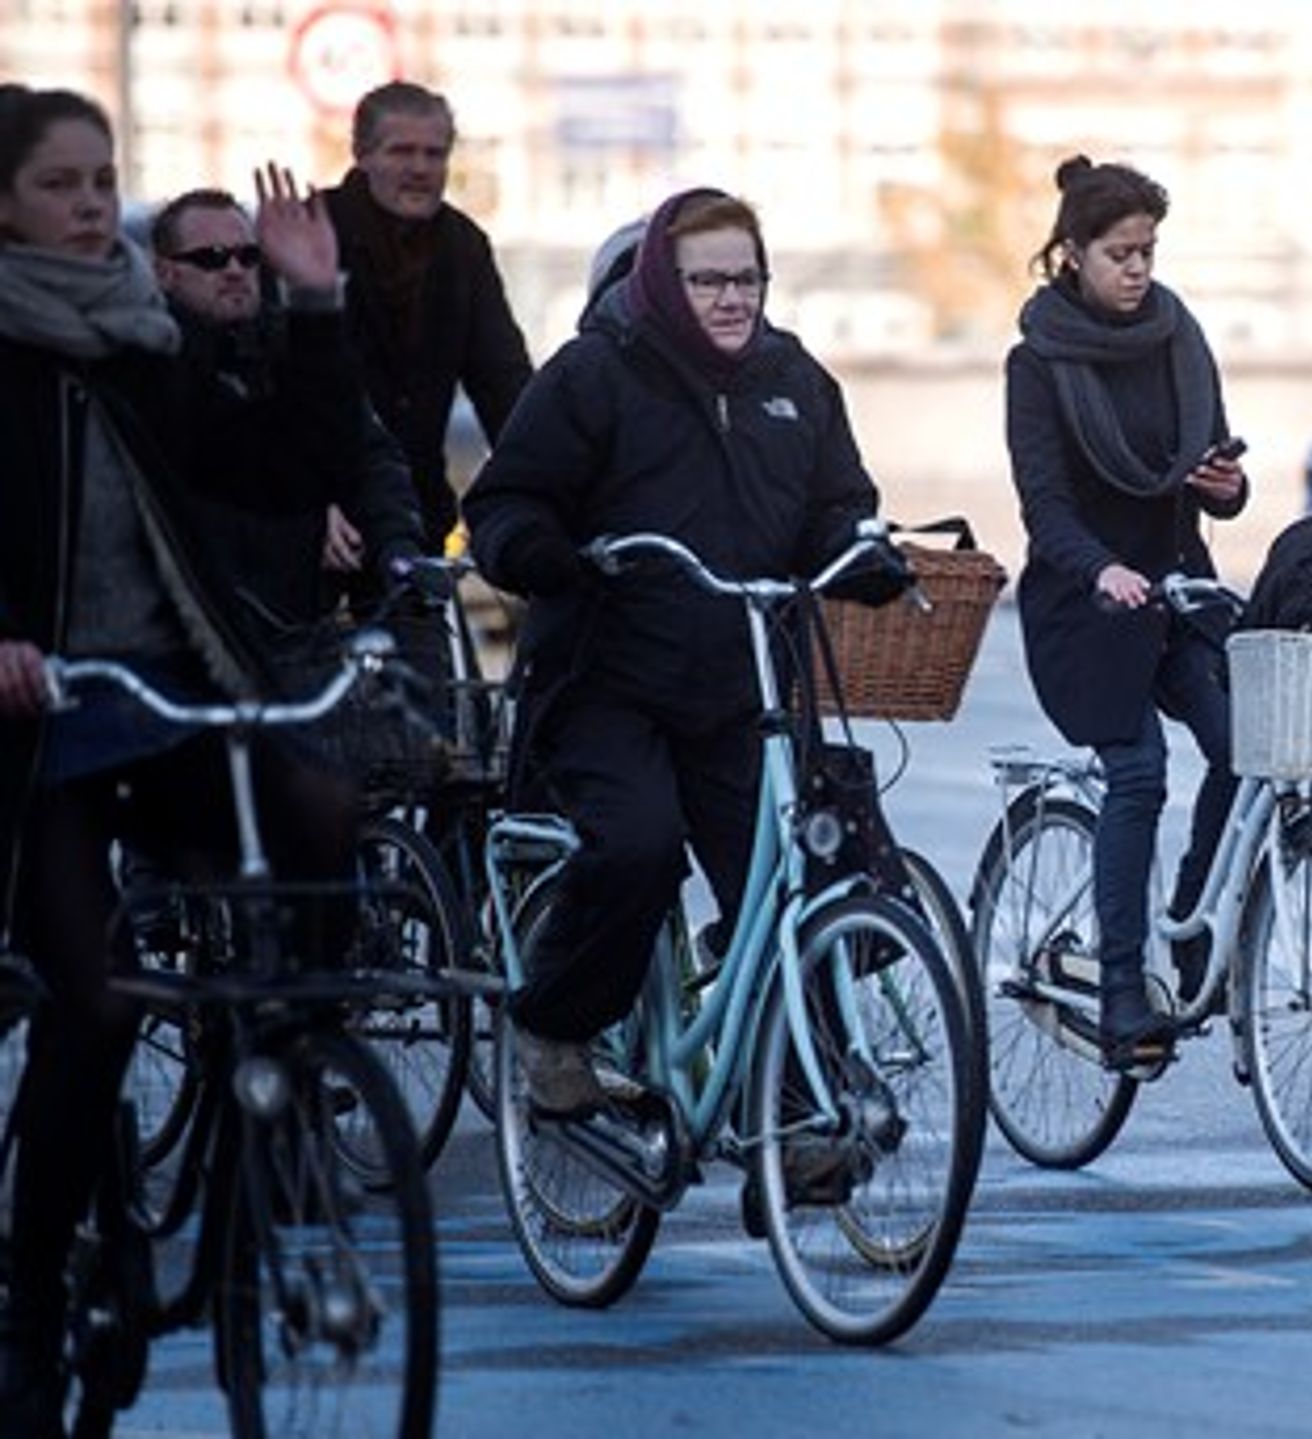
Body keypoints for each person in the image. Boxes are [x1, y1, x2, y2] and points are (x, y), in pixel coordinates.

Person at [0, 85, 364, 1434]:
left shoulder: (143, 338)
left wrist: (315, 307)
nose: (95, 201)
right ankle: (30, 1310)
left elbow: (283, 467)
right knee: (91, 1004)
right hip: (40, 729)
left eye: (105, 178)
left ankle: (277, 1091)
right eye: (61, 182)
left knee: (322, 807)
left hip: (161, 690)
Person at [463, 188, 882, 1130]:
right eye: (709, 281)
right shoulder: (594, 375)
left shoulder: (797, 381)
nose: (733, 298)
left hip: (745, 686)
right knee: (640, 849)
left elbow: (836, 502)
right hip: (607, 682)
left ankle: (794, 1117)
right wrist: (543, 553)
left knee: (795, 883)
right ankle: (554, 1026)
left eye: (748, 277)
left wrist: (863, 550)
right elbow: (505, 502)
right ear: (662, 280)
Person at [1004, 155, 1249, 1070]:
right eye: (1119, 252)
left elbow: (1211, 481)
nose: (1139, 268)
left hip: (1175, 591)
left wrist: (1226, 484)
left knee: (1244, 747)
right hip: (1085, 605)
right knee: (1138, 771)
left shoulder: (1181, 339)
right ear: (1072, 253)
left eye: (1148, 249)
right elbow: (1044, 505)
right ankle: (1118, 993)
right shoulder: (1036, 363)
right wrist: (1101, 568)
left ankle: (1186, 931)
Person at [149, 186, 427, 674]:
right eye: (211, 259)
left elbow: (371, 459)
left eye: (248, 255)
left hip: (304, 639)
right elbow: (214, 487)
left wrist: (397, 552)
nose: (234, 270)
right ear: (164, 272)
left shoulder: (295, 351)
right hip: (190, 644)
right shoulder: (150, 367)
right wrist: (310, 511)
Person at [322, 80, 531, 556]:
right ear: (362, 154)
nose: (419, 169)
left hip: (419, 514)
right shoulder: (314, 230)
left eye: (435, 154)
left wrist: (552, 483)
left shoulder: (463, 246)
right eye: (401, 152)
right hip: (324, 521)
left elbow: (504, 383)